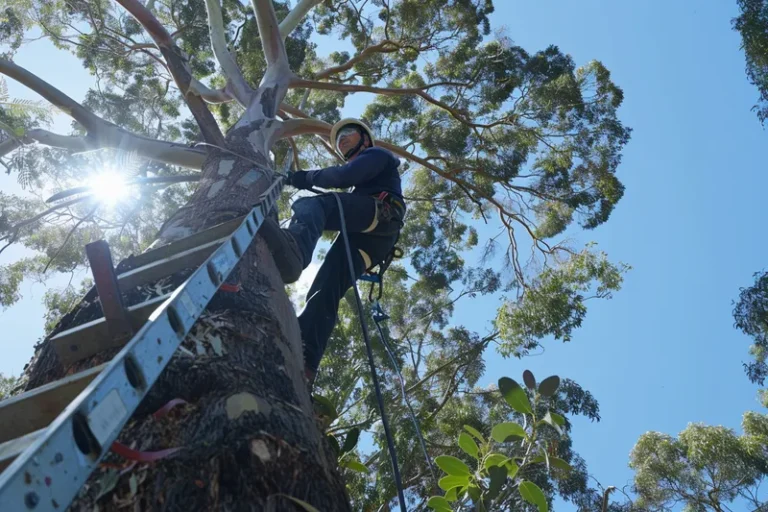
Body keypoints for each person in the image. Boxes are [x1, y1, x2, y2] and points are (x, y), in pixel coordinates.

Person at [261, 118, 405, 385]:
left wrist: (300, 178)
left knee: (312, 206)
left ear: (365, 139)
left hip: (381, 214)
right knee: (325, 290)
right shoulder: (365, 181)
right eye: (338, 139)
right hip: (368, 241)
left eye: (348, 133)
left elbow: (343, 176)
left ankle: (295, 250)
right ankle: (305, 360)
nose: (342, 139)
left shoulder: (377, 155)